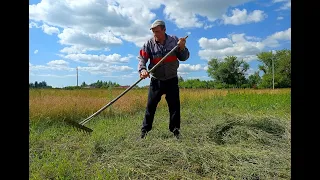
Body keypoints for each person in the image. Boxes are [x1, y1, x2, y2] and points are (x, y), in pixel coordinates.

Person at [137, 19, 190, 139]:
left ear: (164, 30)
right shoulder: (148, 44)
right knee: (150, 106)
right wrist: (143, 70)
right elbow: (142, 59)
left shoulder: (174, 41)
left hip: (172, 79)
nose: (155, 34)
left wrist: (182, 48)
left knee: (174, 107)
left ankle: (176, 132)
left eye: (157, 31)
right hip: (156, 80)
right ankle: (144, 132)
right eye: (153, 32)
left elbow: (184, 57)